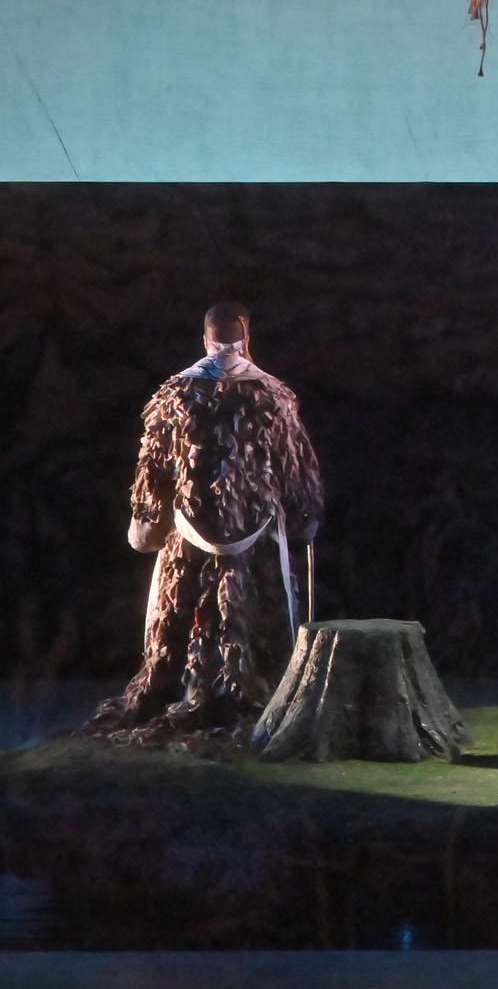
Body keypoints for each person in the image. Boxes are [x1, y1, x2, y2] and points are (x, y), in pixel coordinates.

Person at [84, 302, 323, 744]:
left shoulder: (174, 395)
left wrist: (146, 527)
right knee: (247, 625)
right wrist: (303, 520)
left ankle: (185, 690)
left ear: (205, 339)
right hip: (255, 548)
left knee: (182, 621)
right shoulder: (275, 397)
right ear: (246, 339)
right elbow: (296, 474)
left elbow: (153, 474)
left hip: (189, 542)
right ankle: (248, 697)